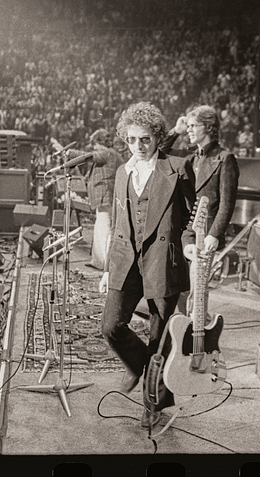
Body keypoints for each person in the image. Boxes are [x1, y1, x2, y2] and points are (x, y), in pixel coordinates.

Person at [99, 102, 197, 429]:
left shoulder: (179, 168)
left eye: (144, 139)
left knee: (160, 339)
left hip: (163, 262)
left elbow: (189, 220)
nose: (138, 147)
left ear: (157, 137)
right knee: (111, 326)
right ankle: (144, 369)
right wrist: (107, 270)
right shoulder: (121, 172)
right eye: (131, 140)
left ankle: (153, 402)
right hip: (126, 261)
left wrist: (191, 247)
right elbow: (117, 223)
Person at [166, 106, 239, 316]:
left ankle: (195, 333)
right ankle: (183, 328)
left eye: (192, 126)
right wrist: (175, 131)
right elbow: (160, 152)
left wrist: (215, 234)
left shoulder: (225, 159)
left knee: (197, 289)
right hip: (184, 231)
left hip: (205, 234)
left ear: (208, 127)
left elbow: (227, 202)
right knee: (181, 286)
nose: (188, 130)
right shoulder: (190, 158)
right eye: (187, 126)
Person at [52, 128, 124, 270]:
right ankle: (99, 261)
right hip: (103, 197)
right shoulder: (109, 155)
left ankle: (106, 264)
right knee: (100, 228)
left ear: (101, 142)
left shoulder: (109, 153)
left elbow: (88, 156)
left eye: (95, 144)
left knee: (105, 229)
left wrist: (69, 153)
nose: (94, 147)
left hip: (106, 197)